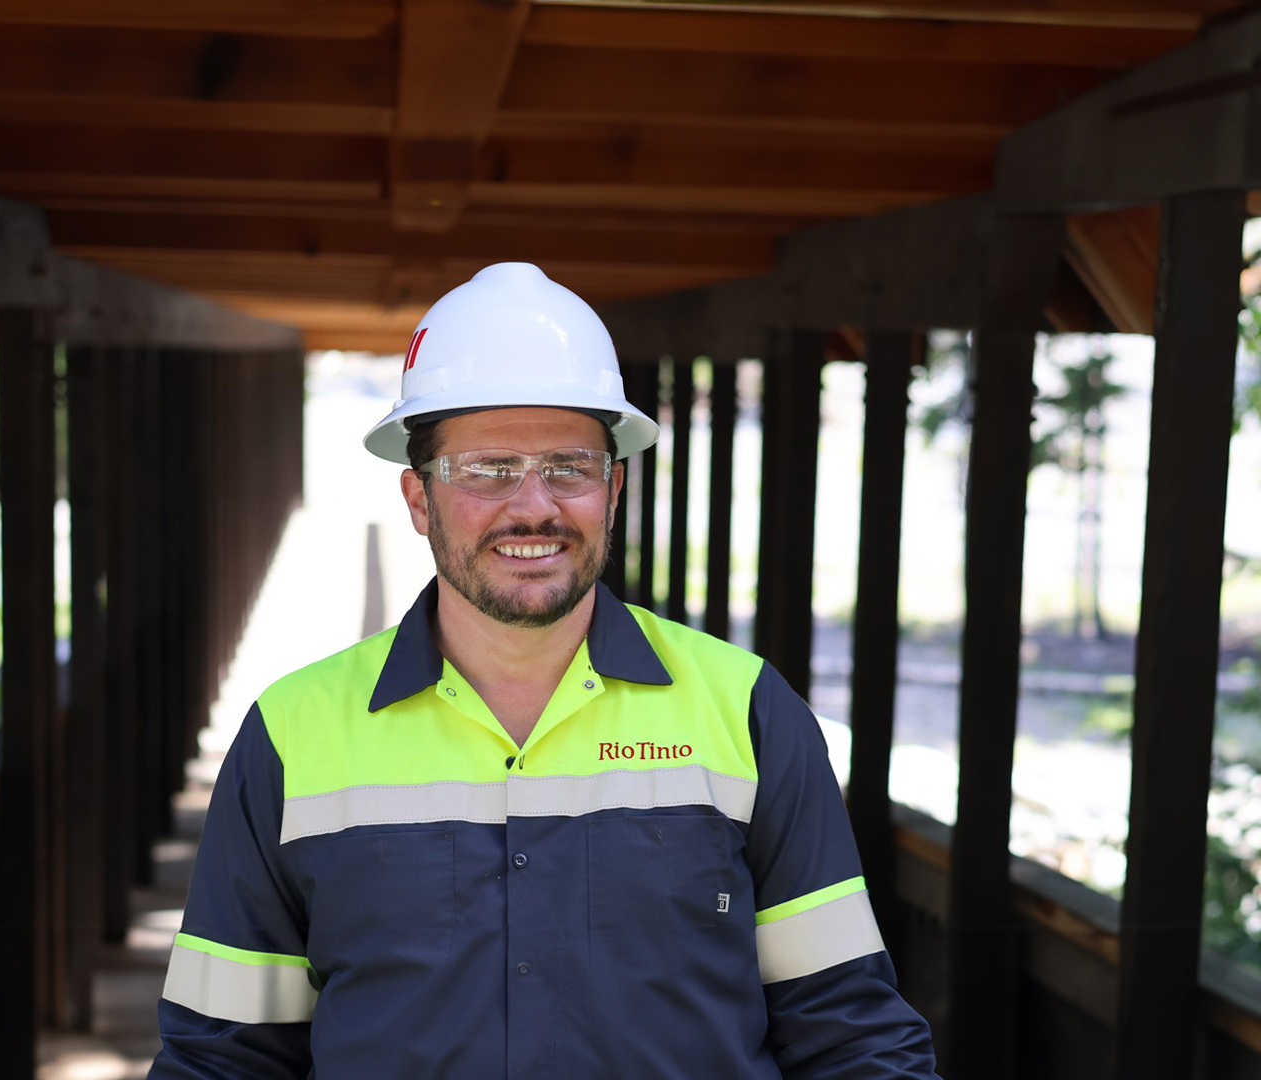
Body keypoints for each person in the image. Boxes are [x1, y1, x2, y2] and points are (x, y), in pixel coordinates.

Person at [149, 262, 940, 1079]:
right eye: (488, 469)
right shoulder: (293, 735)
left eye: (570, 466)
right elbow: (221, 1060)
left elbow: (849, 1033)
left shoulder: (746, 711)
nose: (534, 506)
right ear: (419, 500)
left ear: (614, 486)